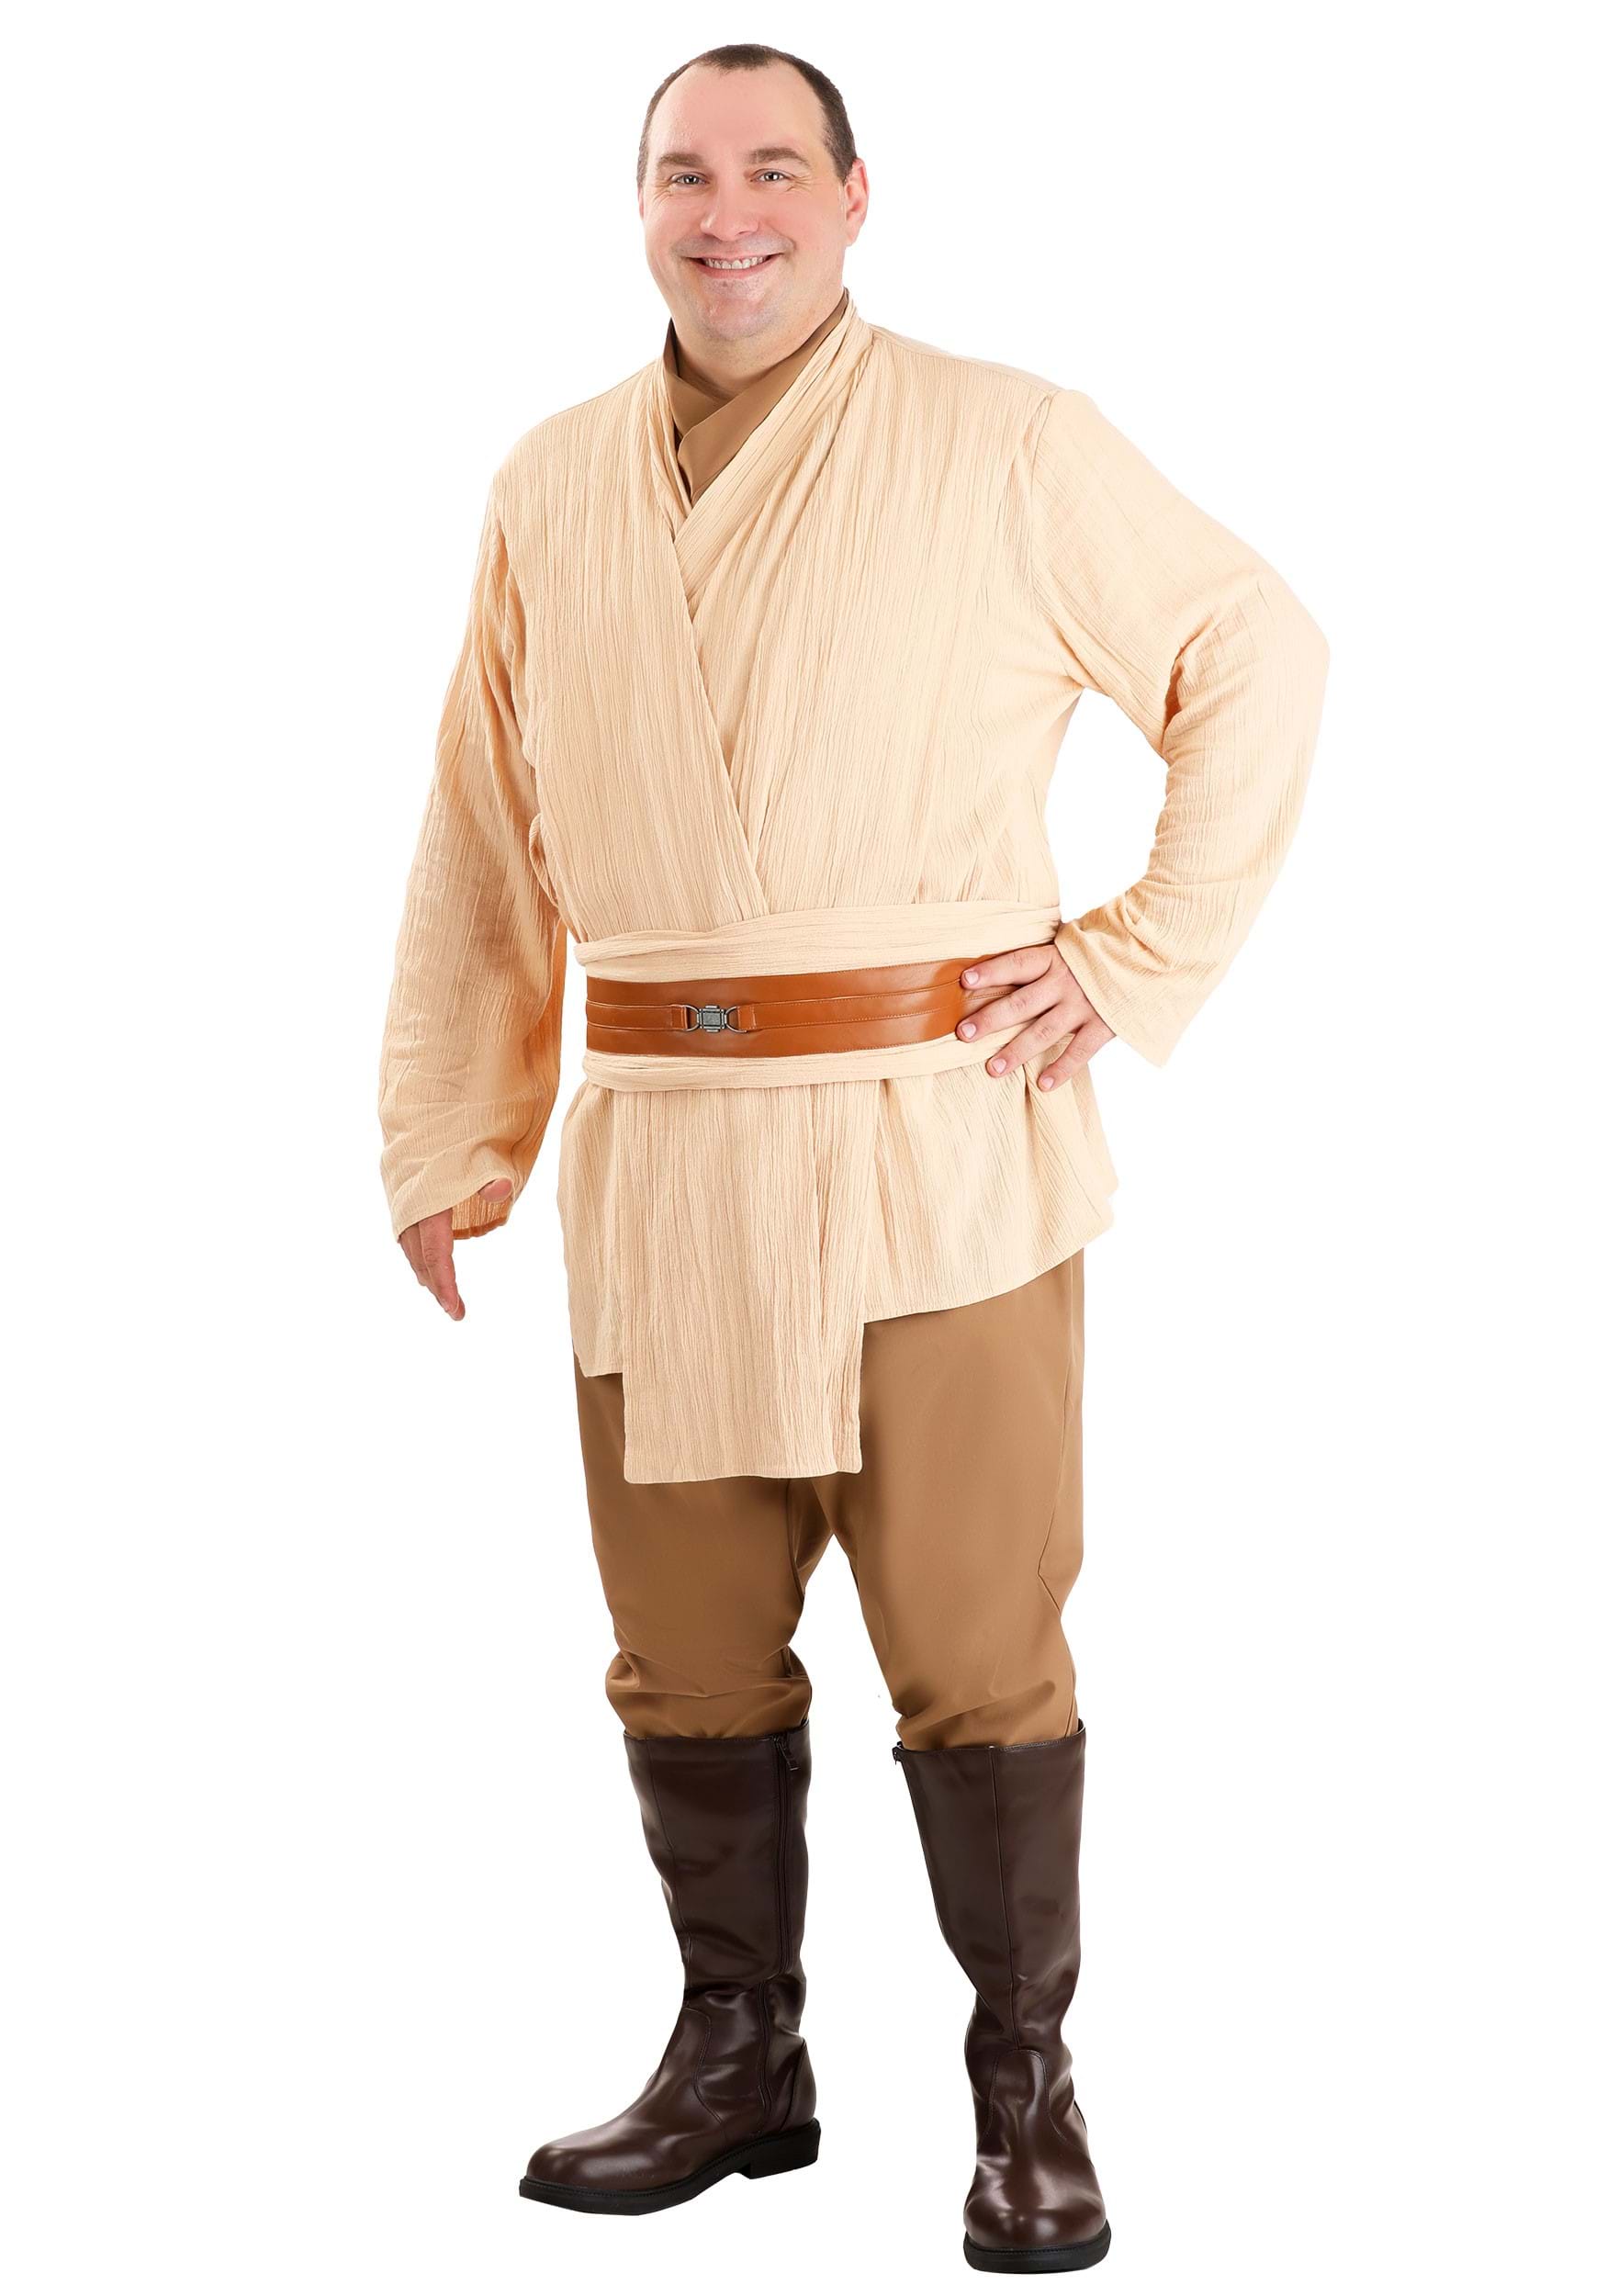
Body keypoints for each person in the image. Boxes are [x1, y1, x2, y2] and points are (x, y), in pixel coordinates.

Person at [376, 41, 1328, 2276]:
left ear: (853, 196)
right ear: (639, 207)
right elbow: (482, 817)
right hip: (666, 1160)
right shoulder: (547, 481)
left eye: (772, 168)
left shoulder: (1004, 440)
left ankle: (1025, 2085)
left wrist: (1127, 956)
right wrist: (454, 1119)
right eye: (681, 174)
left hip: (935, 1150)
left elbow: (1251, 647)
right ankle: (741, 2055)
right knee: (683, 1645)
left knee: (978, 1648)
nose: (728, 212)